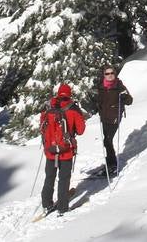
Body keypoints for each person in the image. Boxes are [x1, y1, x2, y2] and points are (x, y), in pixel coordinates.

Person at [40, 83, 86, 215]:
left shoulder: (49, 107)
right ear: (69, 94)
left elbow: (42, 127)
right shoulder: (73, 109)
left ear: (58, 93)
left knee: (49, 177)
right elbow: (81, 130)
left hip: (50, 150)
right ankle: (62, 207)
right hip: (66, 151)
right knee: (64, 178)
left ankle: (46, 204)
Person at [94, 65, 133, 174]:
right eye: (107, 73)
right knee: (106, 141)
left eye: (112, 73)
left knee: (108, 140)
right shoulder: (101, 86)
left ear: (115, 74)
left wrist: (125, 97)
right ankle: (109, 163)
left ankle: (113, 165)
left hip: (115, 117)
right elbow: (98, 100)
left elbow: (130, 101)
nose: (110, 75)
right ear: (104, 75)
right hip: (104, 117)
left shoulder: (119, 86)